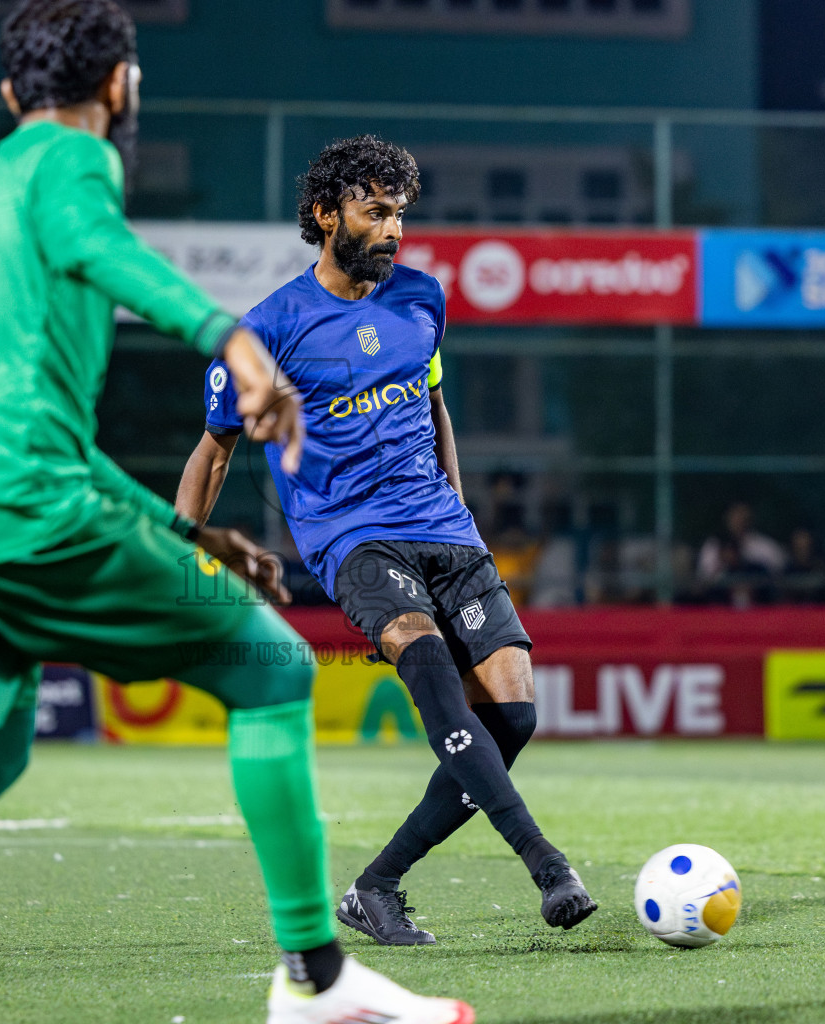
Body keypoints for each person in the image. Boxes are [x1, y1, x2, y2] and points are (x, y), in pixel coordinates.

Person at [0, 6, 469, 1024]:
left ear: (6, 94)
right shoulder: (71, 161)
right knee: (276, 672)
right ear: (119, 85)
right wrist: (230, 338)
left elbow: (35, 431)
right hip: (26, 509)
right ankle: (316, 982)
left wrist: (186, 534)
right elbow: (98, 252)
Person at [175, 135, 596, 948]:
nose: (393, 230)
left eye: (400, 213)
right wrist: (185, 556)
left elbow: (434, 405)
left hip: (445, 529)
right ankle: (547, 865)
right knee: (436, 679)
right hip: (354, 539)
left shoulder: (423, 299)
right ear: (326, 214)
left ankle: (376, 887)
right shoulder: (265, 331)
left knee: (513, 719)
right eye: (376, 212)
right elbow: (214, 450)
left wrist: (459, 511)